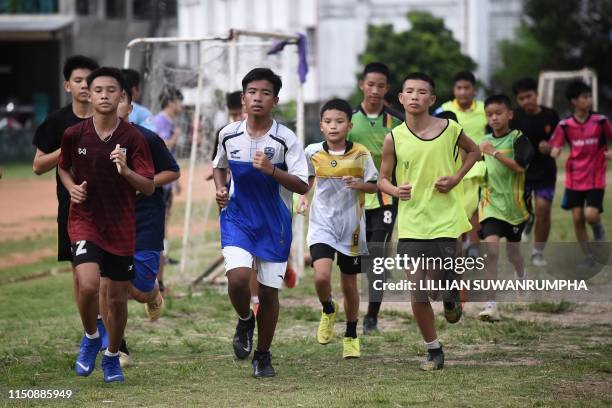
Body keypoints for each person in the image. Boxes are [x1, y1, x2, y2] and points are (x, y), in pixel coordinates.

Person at [58, 67, 155, 383]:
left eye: (111, 90)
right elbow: (63, 168)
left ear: (122, 96)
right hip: (85, 221)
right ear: (88, 93)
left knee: (116, 298)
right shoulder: (75, 134)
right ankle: (90, 336)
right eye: (97, 89)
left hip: (121, 227)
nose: (103, 95)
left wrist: (126, 171)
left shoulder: (133, 137)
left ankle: (112, 356)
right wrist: (72, 187)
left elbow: (149, 186)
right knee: (87, 284)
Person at [378, 72, 479, 370]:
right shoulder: (393, 137)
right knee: (418, 289)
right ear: (400, 98)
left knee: (436, 284)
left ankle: (450, 294)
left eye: (422, 92)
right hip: (411, 221)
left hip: (445, 218)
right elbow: (382, 179)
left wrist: (456, 178)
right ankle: (434, 350)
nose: (414, 96)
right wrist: (396, 190)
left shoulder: (450, 128)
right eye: (409, 91)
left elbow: (474, 152)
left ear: (432, 99)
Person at [212, 68, 309, 378]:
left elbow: (302, 185)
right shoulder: (228, 134)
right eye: (252, 92)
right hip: (238, 218)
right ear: (243, 98)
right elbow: (219, 165)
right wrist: (220, 188)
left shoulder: (285, 138)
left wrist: (271, 170)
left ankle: (263, 356)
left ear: (275, 100)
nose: (258, 97)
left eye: (265, 93)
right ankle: (244, 320)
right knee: (238, 279)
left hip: (275, 224)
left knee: (268, 295)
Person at [31, 55, 107, 342]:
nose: (85, 87)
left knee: (109, 278)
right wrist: (66, 149)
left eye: (90, 81)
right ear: (67, 86)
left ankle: (111, 333)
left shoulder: (109, 119)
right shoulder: (56, 122)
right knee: (81, 275)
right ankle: (93, 330)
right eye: (78, 81)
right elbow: (38, 165)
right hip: (72, 207)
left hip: (111, 206)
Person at [298, 98, 378, 358]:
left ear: (349, 125)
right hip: (322, 224)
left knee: (349, 286)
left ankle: (351, 334)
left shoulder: (362, 154)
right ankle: (328, 308)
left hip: (352, 228)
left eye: (339, 121)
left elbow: (375, 185)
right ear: (321, 126)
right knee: (321, 276)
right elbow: (306, 181)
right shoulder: (311, 152)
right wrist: (301, 197)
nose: (334, 126)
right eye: (329, 122)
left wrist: (358, 183)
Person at [114, 85, 180, 365]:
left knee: (139, 289)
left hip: (146, 218)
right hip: (110, 220)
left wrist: (145, 185)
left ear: (130, 108)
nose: (110, 101)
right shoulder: (89, 141)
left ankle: (154, 294)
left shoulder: (148, 139)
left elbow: (172, 171)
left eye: (119, 98)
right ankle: (116, 348)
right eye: (103, 94)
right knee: (110, 284)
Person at [347, 62, 404, 334]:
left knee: (377, 259)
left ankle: (372, 316)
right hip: (352, 198)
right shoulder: (347, 119)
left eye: (381, 85)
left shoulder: (398, 121)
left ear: (387, 88)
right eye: (370, 84)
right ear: (362, 85)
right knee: (352, 259)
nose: (375, 90)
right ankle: (348, 313)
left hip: (384, 197)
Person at [478, 95, 534, 322]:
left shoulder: (518, 138)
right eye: (489, 114)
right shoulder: (483, 141)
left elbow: (520, 168)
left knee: (513, 254)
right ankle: (491, 304)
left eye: (498, 113)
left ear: (510, 114)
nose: (494, 118)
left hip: (515, 208)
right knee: (490, 252)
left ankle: (521, 275)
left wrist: (493, 152)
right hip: (490, 205)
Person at [550, 81, 612, 267]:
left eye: (589, 96)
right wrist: (553, 151)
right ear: (574, 102)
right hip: (574, 178)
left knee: (591, 216)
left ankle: (598, 229)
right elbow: (556, 145)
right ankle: (589, 257)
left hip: (595, 177)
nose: (589, 100)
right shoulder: (565, 125)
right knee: (577, 218)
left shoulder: (600, 121)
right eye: (584, 97)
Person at [435, 71, 488, 258]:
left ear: (474, 90)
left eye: (467, 88)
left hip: (479, 167)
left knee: (474, 207)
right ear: (454, 90)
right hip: (453, 167)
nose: (463, 92)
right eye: (459, 88)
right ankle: (460, 243)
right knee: (458, 207)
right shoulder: (443, 110)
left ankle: (473, 246)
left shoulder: (485, 110)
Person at [511, 78, 560, 266]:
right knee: (523, 211)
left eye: (529, 96)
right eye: (521, 98)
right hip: (521, 172)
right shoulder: (514, 117)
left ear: (536, 94)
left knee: (543, 209)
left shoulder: (551, 115)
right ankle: (528, 221)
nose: (526, 102)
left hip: (545, 171)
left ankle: (537, 252)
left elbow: (558, 142)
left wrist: (551, 147)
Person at [152, 87, 184, 289]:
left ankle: (164, 254)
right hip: (160, 183)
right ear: (171, 102)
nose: (181, 105)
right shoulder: (160, 120)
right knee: (160, 221)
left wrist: (176, 181)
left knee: (166, 220)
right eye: (179, 101)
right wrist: (175, 137)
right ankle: (158, 259)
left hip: (168, 181)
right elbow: (162, 146)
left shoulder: (169, 121)